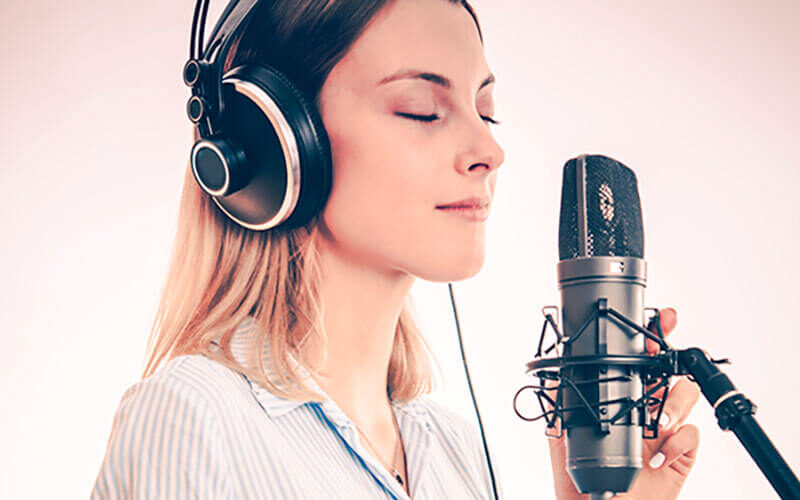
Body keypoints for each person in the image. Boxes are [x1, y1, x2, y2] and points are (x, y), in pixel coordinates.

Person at [91, 0, 701, 498]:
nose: (489, 151)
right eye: (422, 109)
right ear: (279, 146)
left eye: (487, 111)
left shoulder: (451, 451)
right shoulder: (192, 419)